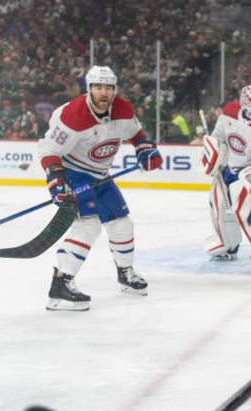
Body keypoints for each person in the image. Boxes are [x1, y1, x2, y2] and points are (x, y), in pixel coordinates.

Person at [38, 65, 162, 311]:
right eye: (98, 87)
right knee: (88, 225)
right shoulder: (73, 115)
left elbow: (136, 132)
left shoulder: (123, 108)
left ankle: (125, 273)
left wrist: (144, 147)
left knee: (122, 222)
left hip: (100, 175)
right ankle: (61, 285)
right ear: (89, 88)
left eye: (108, 87)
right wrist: (56, 180)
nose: (103, 92)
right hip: (74, 173)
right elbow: (48, 150)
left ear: (114, 89)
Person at [201, 83, 251, 268]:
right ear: (242, 98)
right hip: (229, 168)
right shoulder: (228, 111)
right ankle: (227, 243)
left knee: (245, 204)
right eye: (249, 99)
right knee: (216, 201)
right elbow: (218, 137)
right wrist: (213, 154)